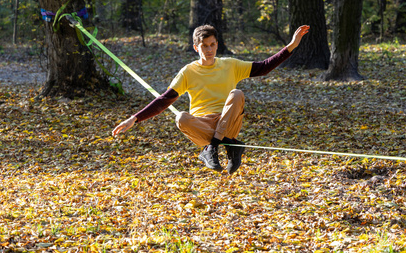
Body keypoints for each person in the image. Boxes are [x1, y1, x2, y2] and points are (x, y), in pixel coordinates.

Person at [112, 24, 310, 174]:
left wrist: (292, 45)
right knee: (181, 117)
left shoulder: (230, 65)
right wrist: (134, 118)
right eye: (204, 46)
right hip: (203, 125)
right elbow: (164, 100)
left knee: (237, 94)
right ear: (196, 48)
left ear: (217, 44)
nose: (209, 49)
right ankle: (229, 145)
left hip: (228, 120)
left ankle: (212, 148)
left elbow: (264, 66)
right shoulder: (188, 71)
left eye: (212, 45)